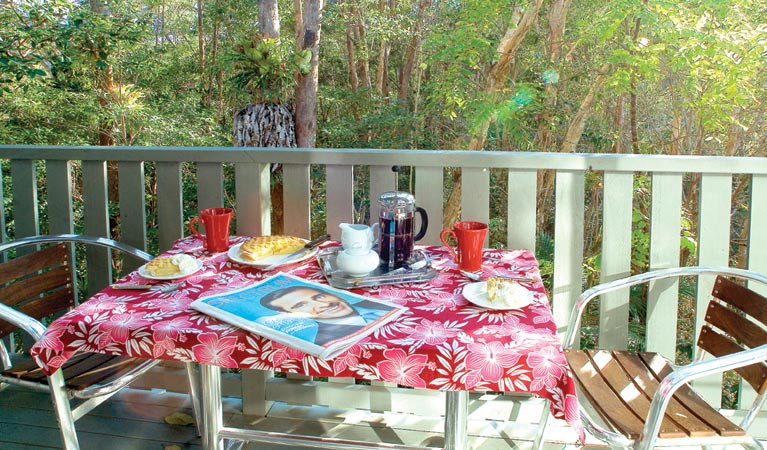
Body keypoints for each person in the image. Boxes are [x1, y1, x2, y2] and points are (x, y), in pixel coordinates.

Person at [260, 286, 395, 345]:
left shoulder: (385, 302)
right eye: (300, 305)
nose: (323, 304)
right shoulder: (326, 341)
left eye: (319, 296)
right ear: (290, 314)